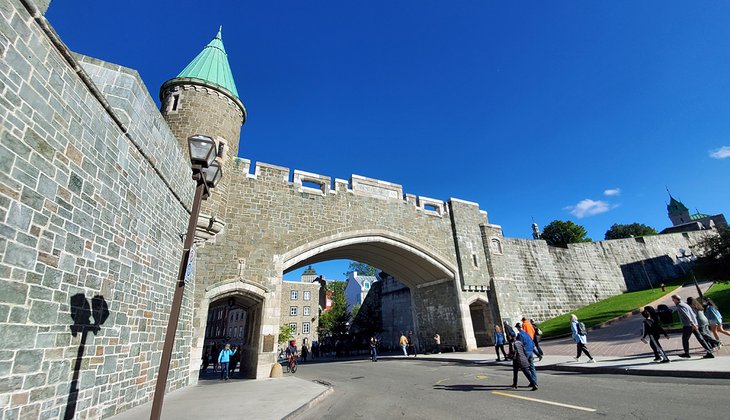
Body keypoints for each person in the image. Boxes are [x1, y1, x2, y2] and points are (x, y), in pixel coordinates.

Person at [672, 294, 714, 359]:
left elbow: (687, 315)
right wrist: (695, 323)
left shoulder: (680, 305)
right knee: (700, 339)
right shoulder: (685, 304)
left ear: (675, 299)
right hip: (694, 324)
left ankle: (687, 353)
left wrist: (692, 323)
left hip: (688, 325)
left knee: (685, 339)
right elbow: (693, 314)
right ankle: (709, 352)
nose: (673, 301)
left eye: (673, 299)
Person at [515, 323, 537, 387]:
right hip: (530, 352)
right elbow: (532, 343)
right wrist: (536, 353)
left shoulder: (519, 335)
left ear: (518, 328)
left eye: (517, 328)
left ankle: (532, 382)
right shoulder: (527, 334)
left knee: (524, 367)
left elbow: (519, 345)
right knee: (532, 367)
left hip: (525, 352)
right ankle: (534, 380)